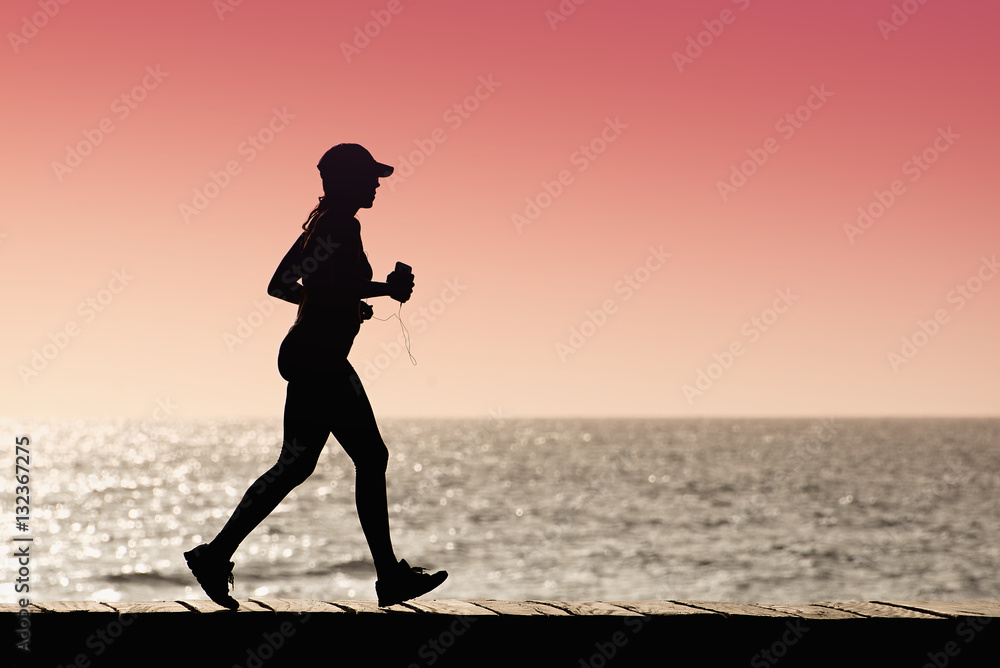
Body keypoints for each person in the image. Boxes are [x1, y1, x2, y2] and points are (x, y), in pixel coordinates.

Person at [184, 143, 447, 609]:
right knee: (370, 457)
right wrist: (386, 288)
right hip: (320, 359)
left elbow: (284, 285)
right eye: (370, 177)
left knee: (297, 465)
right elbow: (327, 286)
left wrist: (345, 304)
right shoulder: (341, 225)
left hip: (309, 355)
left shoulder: (321, 226)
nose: (377, 184)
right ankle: (388, 577)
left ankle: (215, 554)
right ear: (347, 181)